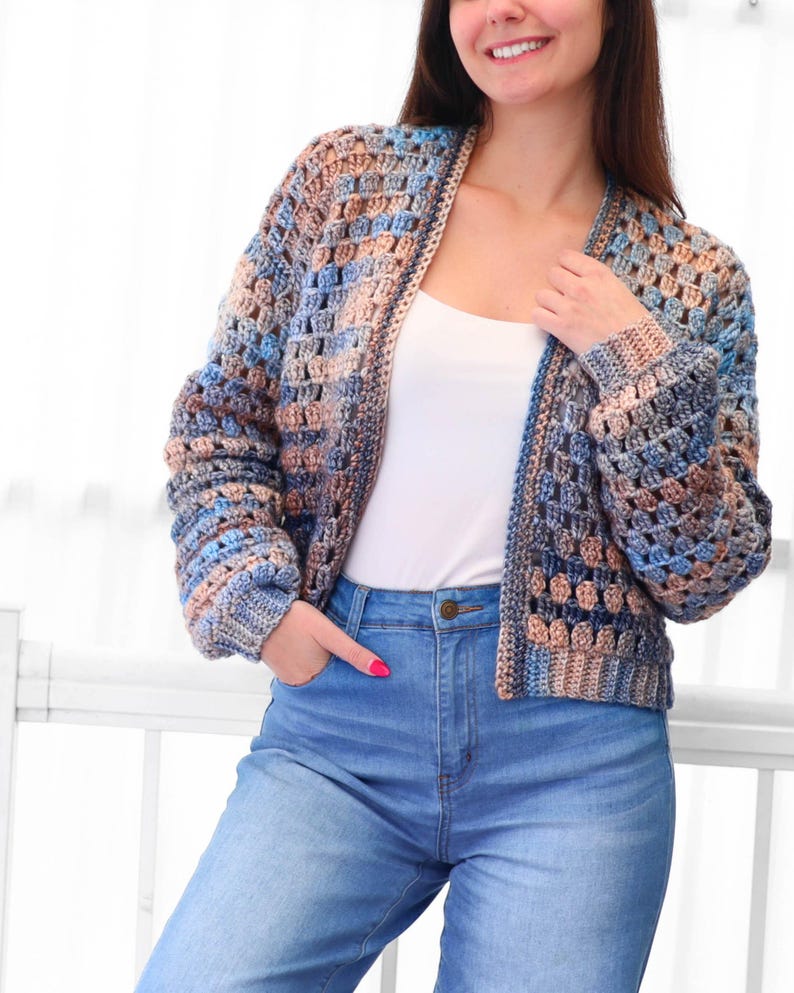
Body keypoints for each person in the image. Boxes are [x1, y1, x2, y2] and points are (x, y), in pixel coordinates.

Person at [136, 1, 772, 990]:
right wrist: (261, 610)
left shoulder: (692, 278)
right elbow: (221, 423)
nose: (503, 8)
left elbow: (703, 572)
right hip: (339, 726)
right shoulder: (343, 184)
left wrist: (638, 361)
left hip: (572, 761)